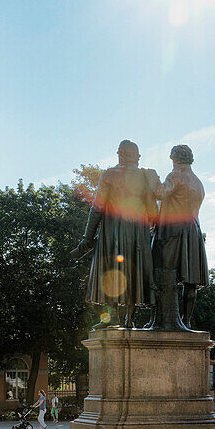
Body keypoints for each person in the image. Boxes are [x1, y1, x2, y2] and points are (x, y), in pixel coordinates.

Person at [72, 139, 160, 328]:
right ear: (137, 157)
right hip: (138, 230)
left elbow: (97, 207)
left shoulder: (110, 174)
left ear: (120, 155)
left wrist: (87, 237)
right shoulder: (146, 176)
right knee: (135, 270)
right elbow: (153, 210)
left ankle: (112, 317)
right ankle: (129, 319)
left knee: (111, 270)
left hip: (113, 230)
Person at [151, 144, 209, 328]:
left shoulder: (176, 175)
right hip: (193, 231)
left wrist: (152, 177)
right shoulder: (198, 182)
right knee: (190, 282)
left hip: (174, 231)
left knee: (163, 274)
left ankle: (160, 321)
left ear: (175, 159)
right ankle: (187, 322)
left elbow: (160, 192)